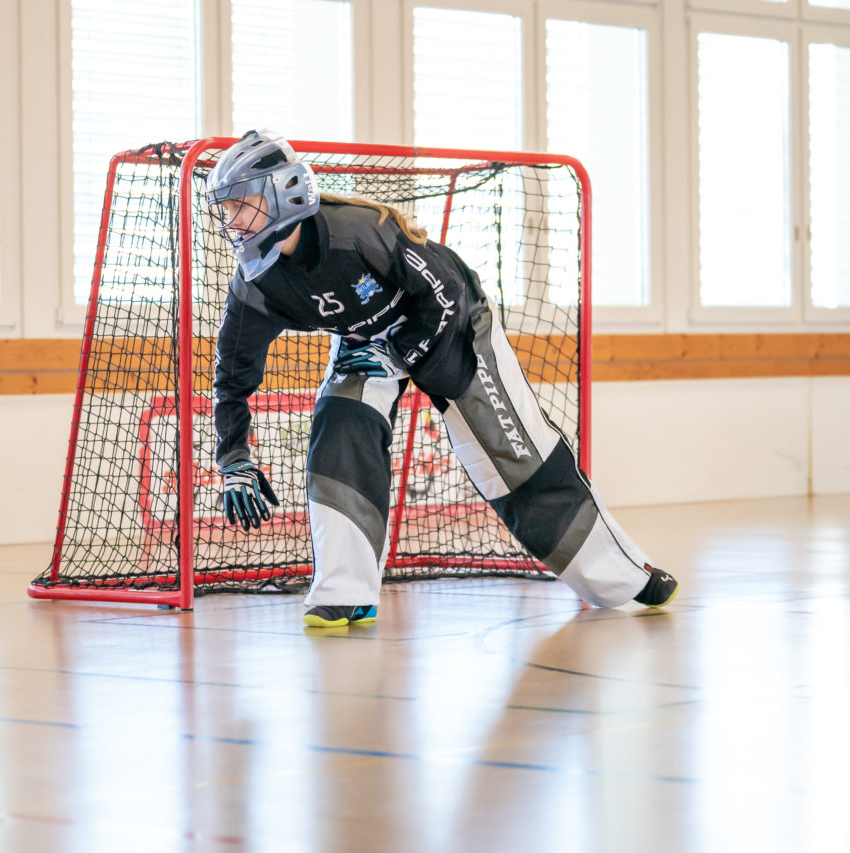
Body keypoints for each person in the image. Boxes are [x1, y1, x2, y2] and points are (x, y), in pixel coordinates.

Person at [205, 129, 679, 628]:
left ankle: (625, 576)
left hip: (448, 322)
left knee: (515, 454)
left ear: (284, 194)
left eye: (242, 205)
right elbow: (232, 380)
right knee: (339, 426)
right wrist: (233, 460)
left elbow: (445, 293)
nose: (232, 220)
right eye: (228, 208)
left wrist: (406, 349)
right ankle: (344, 593)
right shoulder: (254, 286)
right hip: (365, 339)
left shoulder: (360, 231)